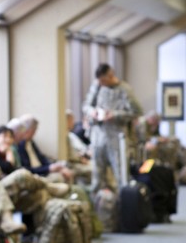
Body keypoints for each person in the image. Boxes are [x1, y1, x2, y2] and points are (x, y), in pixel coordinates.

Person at [82, 63, 142, 193]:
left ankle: (123, 206)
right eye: (100, 81)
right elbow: (86, 106)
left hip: (117, 136)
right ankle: (98, 207)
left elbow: (137, 111)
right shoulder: (97, 86)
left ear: (111, 76)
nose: (101, 83)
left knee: (121, 174)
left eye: (104, 80)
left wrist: (114, 115)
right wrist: (93, 112)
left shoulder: (125, 89)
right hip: (98, 136)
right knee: (97, 177)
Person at [18, 114, 74, 184]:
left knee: (65, 170)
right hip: (38, 173)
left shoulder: (31, 142)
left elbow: (41, 157)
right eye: (33, 131)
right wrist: (48, 168)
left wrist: (53, 166)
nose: (34, 134)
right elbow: (27, 169)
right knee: (59, 177)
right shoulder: (20, 145)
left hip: (43, 170)